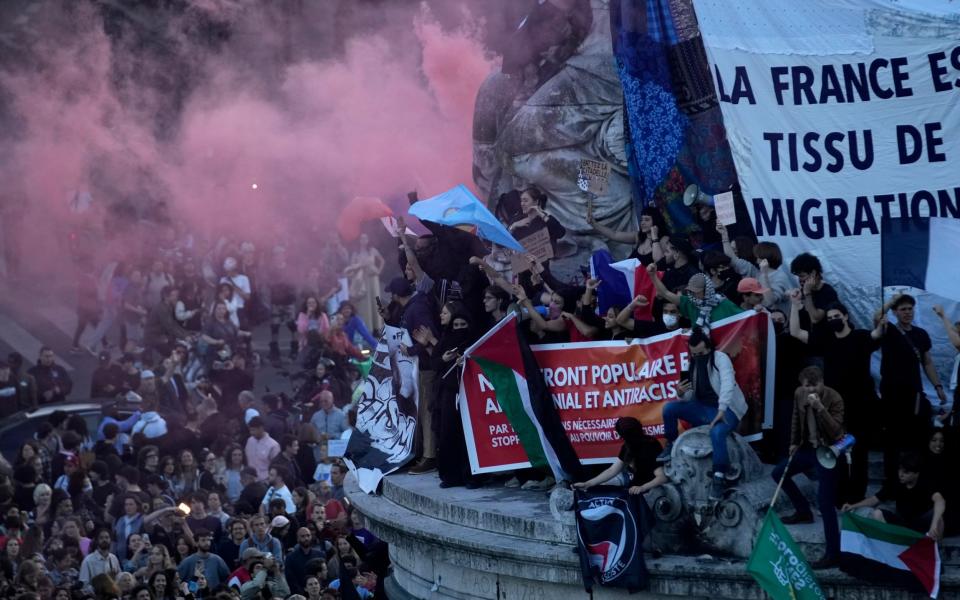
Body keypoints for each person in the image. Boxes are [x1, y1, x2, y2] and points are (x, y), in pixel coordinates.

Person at [790, 299, 880, 502]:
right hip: (834, 407)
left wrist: (881, 318)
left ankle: (856, 497)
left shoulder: (860, 337)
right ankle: (838, 495)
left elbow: (878, 334)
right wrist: (795, 306)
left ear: (846, 316)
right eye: (829, 318)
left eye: (836, 317)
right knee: (834, 450)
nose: (833, 321)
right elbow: (796, 333)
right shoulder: (826, 339)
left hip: (861, 405)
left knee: (858, 451)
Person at [656, 328, 747, 501]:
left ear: (709, 348)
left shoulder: (720, 358)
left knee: (717, 432)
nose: (698, 356)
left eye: (701, 352)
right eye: (694, 354)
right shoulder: (692, 363)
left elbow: (728, 384)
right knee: (669, 408)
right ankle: (670, 443)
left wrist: (721, 410)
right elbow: (690, 396)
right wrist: (681, 393)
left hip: (727, 409)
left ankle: (719, 476)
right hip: (703, 408)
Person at [771, 367, 845, 569]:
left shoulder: (834, 398)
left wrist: (820, 408)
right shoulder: (799, 393)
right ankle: (803, 511)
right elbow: (796, 417)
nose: (811, 389)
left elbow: (837, 431)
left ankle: (833, 553)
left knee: (825, 503)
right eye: (807, 385)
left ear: (822, 382)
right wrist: (793, 442)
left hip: (828, 452)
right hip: (807, 449)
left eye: (815, 384)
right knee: (778, 473)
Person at [872, 294, 948, 482]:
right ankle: (891, 480)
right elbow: (876, 317)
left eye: (910, 308)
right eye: (903, 309)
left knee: (917, 437)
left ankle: (916, 478)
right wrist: (890, 301)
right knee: (892, 439)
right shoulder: (887, 330)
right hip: (892, 393)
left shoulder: (921, 334)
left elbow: (927, 362)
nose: (907, 312)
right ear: (895, 312)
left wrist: (938, 386)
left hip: (914, 392)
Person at [842, 451, 947, 541]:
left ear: (916, 473)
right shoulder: (896, 482)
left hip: (920, 522)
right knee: (877, 513)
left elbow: (940, 501)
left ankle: (936, 550)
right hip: (902, 522)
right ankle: (891, 548)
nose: (900, 474)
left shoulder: (925, 482)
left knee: (938, 518)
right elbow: (875, 499)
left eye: (906, 472)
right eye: (900, 470)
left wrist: (933, 525)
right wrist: (853, 506)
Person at [573, 417, 667, 495]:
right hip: (632, 485)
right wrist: (588, 484)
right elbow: (612, 470)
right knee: (601, 488)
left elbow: (662, 477)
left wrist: (642, 488)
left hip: (648, 491)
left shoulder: (650, 447)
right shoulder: (628, 446)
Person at [647, 266, 742, 329]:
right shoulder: (689, 303)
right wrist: (653, 276)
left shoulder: (724, 303)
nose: (692, 294)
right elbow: (665, 293)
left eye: (696, 291)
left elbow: (746, 318)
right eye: (691, 291)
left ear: (707, 290)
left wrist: (756, 310)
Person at [587, 204, 666, 265]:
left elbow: (659, 262)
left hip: (645, 283)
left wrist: (655, 237)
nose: (643, 223)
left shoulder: (663, 240)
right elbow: (614, 235)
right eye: (642, 220)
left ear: (655, 221)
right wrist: (594, 224)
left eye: (647, 220)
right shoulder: (638, 236)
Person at [343, 233, 385, 334]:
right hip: (362, 280)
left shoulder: (372, 250)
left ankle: (377, 327)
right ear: (359, 240)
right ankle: (366, 327)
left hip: (373, 279)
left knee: (375, 301)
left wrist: (379, 271)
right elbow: (351, 266)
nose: (363, 240)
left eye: (365, 238)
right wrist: (357, 267)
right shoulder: (356, 253)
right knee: (364, 303)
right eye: (361, 238)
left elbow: (382, 261)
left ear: (368, 239)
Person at [284, 527, 325, 595]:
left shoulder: (320, 555)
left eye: (308, 535)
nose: (306, 538)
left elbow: (324, 576)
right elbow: (291, 579)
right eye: (303, 536)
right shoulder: (290, 558)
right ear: (298, 539)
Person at [245, 417, 281, 482]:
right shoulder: (249, 441)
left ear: (261, 428)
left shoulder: (273, 445)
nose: (251, 433)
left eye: (253, 430)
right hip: (249, 481)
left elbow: (276, 468)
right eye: (250, 430)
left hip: (265, 482)